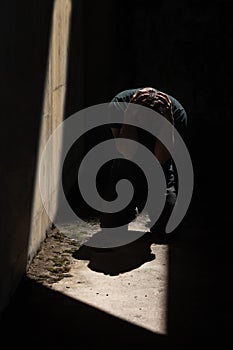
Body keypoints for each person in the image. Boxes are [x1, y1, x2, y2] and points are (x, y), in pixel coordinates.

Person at [100, 87, 187, 235]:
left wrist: (167, 123)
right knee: (111, 227)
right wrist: (129, 118)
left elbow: (161, 158)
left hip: (160, 173)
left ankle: (149, 208)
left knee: (168, 229)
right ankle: (128, 210)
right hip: (125, 169)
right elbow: (127, 152)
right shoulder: (119, 105)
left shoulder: (177, 113)